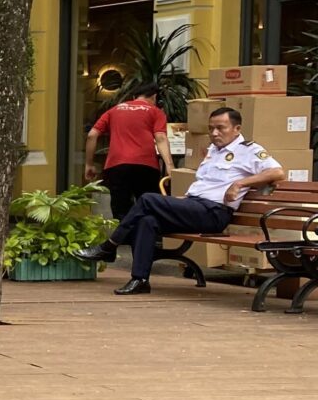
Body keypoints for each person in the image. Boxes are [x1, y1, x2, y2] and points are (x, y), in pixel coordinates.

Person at [75, 106, 286, 294]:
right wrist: (184, 199)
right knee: (147, 221)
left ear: (237, 129)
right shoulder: (214, 150)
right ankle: (140, 280)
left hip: (214, 213)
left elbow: (277, 172)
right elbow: (206, 184)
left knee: (148, 199)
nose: (214, 133)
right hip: (195, 206)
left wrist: (239, 184)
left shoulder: (249, 150)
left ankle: (109, 246)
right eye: (211, 128)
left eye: (220, 128)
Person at [86, 83, 171, 218]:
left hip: (116, 166)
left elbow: (92, 135)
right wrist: (169, 166)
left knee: (120, 210)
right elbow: (160, 138)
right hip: (145, 166)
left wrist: (89, 164)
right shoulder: (156, 112)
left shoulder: (114, 110)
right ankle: (143, 231)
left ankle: (125, 231)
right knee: (149, 209)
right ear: (154, 97)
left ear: (134, 97)